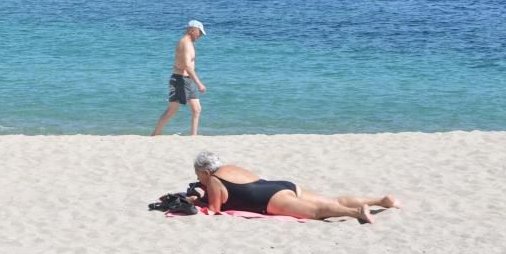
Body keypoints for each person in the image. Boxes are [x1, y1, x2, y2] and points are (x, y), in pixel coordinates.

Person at [191, 151, 401, 224]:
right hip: (279, 185)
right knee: (331, 201)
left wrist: (195, 201)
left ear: (205, 172)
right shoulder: (230, 167)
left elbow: (213, 209)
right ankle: (380, 201)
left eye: (198, 174)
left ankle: (355, 212)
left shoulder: (214, 180)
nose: (198, 177)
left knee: (315, 213)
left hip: (269, 199)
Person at [152, 20, 207, 136]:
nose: (200, 35)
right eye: (200, 32)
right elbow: (187, 66)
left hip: (188, 80)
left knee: (197, 109)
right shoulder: (185, 43)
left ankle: (194, 136)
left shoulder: (190, 43)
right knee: (171, 111)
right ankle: (155, 135)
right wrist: (199, 84)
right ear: (193, 30)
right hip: (179, 80)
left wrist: (193, 81)